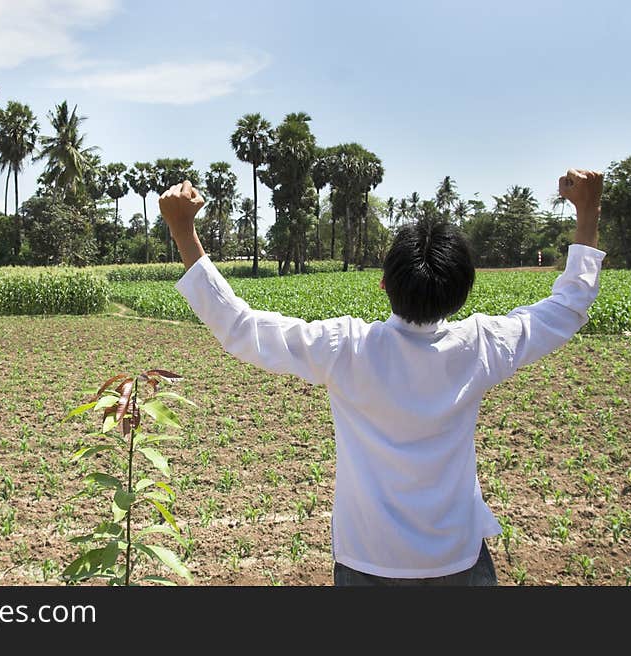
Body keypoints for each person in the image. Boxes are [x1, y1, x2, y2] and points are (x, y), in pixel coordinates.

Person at [158, 169, 605, 586]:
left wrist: (184, 232)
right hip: (457, 560)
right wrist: (588, 212)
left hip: (365, 562)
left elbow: (240, 327)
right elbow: (568, 306)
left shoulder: (346, 348)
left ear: (385, 285)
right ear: (462, 293)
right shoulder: (481, 346)